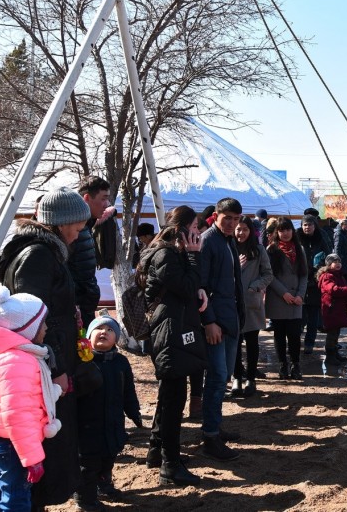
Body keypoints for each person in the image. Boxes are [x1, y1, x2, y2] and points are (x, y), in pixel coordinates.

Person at [0, 187, 90, 509]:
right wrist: (56, 371)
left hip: (46, 365)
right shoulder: (38, 256)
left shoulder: (48, 252)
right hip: (41, 372)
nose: (82, 231)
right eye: (79, 223)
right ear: (62, 222)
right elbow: (31, 324)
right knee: (41, 449)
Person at [140, 205, 207, 486]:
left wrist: (196, 285)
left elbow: (186, 287)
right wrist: (193, 259)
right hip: (169, 331)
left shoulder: (169, 252)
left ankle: (157, 451)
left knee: (170, 395)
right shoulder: (166, 253)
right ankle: (170, 464)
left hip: (174, 328)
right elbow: (184, 286)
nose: (198, 234)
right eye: (194, 229)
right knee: (173, 399)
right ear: (182, 228)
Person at [0, 285, 60, 512]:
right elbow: (18, 414)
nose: (45, 327)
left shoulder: (11, 355)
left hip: (4, 439)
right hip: (14, 443)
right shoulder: (17, 360)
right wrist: (31, 459)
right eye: (41, 323)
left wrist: (55, 391)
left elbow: (26, 397)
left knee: (1, 489)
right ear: (27, 327)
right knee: (16, 498)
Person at [75, 316, 142, 510]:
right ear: (89, 336)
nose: (104, 332)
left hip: (113, 421)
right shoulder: (82, 360)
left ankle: (104, 484)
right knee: (88, 463)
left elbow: (128, 390)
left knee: (108, 457)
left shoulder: (121, 362)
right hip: (87, 424)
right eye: (99, 329)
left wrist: (134, 412)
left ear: (117, 338)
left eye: (110, 330)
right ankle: (85, 499)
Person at [198, 197, 243, 461]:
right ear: (216, 215)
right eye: (228, 218)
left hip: (230, 319)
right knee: (216, 379)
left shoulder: (227, 241)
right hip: (216, 321)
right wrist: (209, 321)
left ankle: (215, 427)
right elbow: (201, 288)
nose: (232, 224)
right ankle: (210, 436)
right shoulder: (207, 241)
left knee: (222, 378)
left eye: (236, 220)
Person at [232, 217, 272, 398]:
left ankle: (251, 378)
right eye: (238, 229)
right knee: (234, 343)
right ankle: (237, 377)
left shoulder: (258, 250)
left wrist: (254, 286)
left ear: (251, 231)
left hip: (251, 301)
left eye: (245, 229)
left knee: (252, 343)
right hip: (231, 302)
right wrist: (235, 268)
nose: (241, 233)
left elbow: (268, 274)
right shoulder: (228, 248)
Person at [266, 216, 309, 380]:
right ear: (277, 232)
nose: (285, 233)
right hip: (278, 298)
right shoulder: (272, 250)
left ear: (292, 230)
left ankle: (295, 365)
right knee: (279, 335)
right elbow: (269, 275)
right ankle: (283, 365)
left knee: (294, 335)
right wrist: (284, 293)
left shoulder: (299, 249)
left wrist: (300, 295)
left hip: (296, 299)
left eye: (288, 229)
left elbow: (304, 275)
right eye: (281, 230)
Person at [70, 176, 111, 326]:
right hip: (76, 311)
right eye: (103, 198)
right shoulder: (72, 231)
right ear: (87, 198)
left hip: (83, 308)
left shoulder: (86, 227)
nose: (106, 204)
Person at [318, 253, 347, 362]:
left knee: (336, 332)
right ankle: (330, 356)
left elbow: (343, 290)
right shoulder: (327, 276)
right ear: (328, 264)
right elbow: (334, 290)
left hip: (337, 309)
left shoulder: (339, 275)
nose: (337, 264)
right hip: (331, 308)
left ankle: (335, 353)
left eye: (339, 262)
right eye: (334, 262)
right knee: (332, 333)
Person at [298, 214, 331, 354]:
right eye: (305, 225)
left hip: (316, 282)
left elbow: (328, 257)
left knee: (313, 316)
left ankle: (309, 343)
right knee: (299, 317)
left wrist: (319, 270)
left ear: (314, 226)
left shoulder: (321, 238)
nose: (307, 227)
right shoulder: (296, 238)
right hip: (299, 280)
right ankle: (294, 341)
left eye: (309, 225)